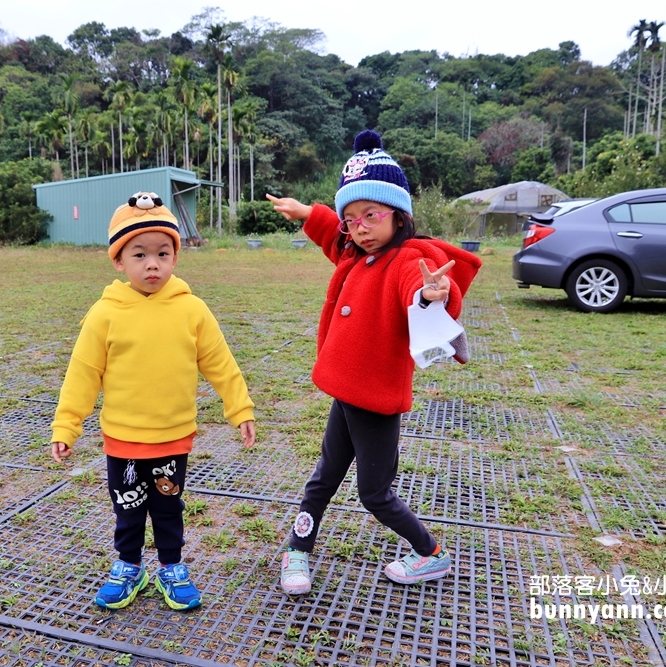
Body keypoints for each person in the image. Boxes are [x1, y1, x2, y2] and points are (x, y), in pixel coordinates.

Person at [266, 130, 481, 595]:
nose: (359, 227)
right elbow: (331, 236)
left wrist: (432, 294)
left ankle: (431, 554)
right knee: (323, 478)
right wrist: (308, 212)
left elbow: (420, 289)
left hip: (376, 399)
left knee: (375, 493)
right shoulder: (354, 254)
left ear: (398, 215)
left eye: (370, 215)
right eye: (351, 219)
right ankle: (296, 550)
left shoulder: (407, 259)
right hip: (346, 394)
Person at [50, 192, 256, 611]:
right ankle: (129, 566)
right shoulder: (104, 314)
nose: (152, 264)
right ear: (118, 261)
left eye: (163, 253)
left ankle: (171, 566)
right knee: (128, 512)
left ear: (175, 258)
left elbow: (220, 362)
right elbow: (83, 374)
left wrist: (240, 408)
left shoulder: (193, 310)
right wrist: (66, 425)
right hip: (122, 440)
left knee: (167, 509)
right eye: (139, 254)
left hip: (172, 438)